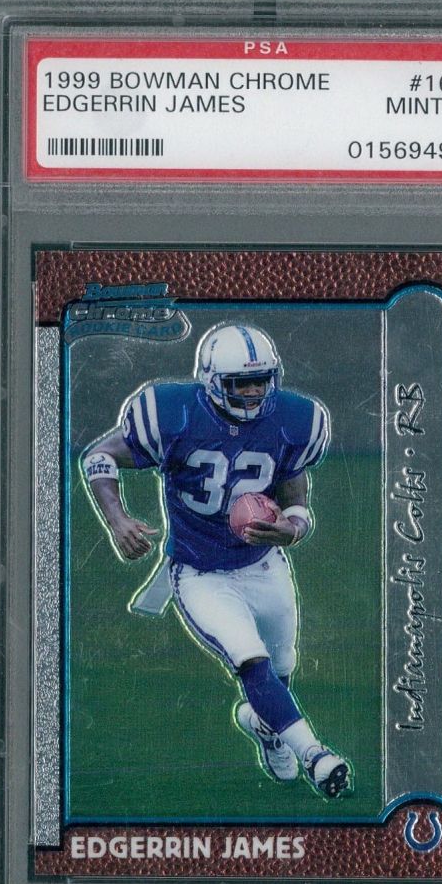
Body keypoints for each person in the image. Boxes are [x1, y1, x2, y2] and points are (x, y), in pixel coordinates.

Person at [82, 323, 350, 798]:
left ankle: (265, 726)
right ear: (211, 381)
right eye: (240, 383)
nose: (253, 392)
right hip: (200, 571)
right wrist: (117, 520)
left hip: (264, 564)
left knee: (281, 667)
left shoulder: (295, 419)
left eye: (260, 381)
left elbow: (295, 491)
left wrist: (293, 526)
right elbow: (99, 458)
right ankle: (316, 755)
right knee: (251, 660)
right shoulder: (174, 412)